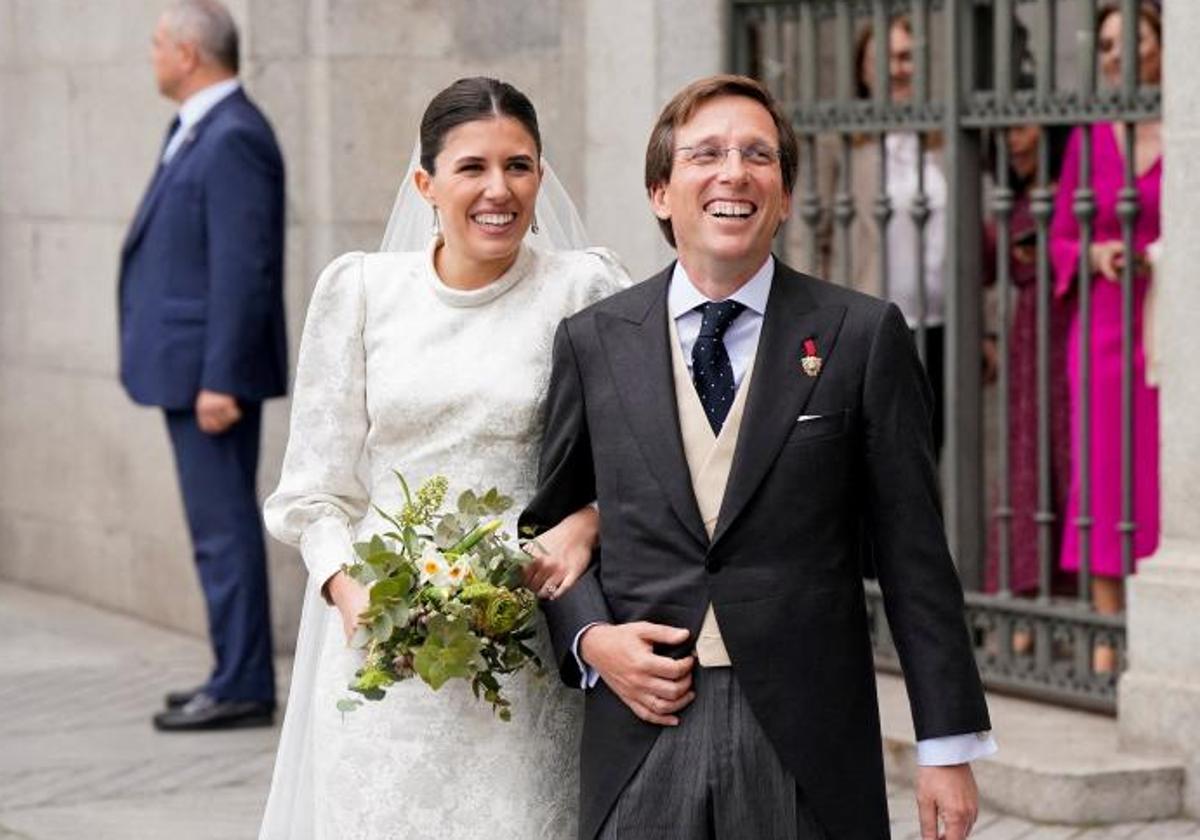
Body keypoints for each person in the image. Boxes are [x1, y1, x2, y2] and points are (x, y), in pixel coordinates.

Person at [521, 74, 995, 840]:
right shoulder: (594, 340)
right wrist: (591, 640)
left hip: (805, 735)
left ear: (783, 194)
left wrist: (946, 743)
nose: (733, 172)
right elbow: (548, 528)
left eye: (758, 156)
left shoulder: (862, 336)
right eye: (705, 153)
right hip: (642, 726)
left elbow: (914, 555)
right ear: (660, 191)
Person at [258, 77, 629, 839]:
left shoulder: (583, 288)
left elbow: (652, 453)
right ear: (425, 183)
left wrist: (590, 521)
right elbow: (312, 492)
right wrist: (347, 588)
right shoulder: (360, 291)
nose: (500, 190)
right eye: (473, 168)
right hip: (384, 653)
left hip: (524, 646)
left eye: (519, 166)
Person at [119, 0, 286, 731]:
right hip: (186, 369)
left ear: (188, 53)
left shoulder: (233, 136)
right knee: (212, 530)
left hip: (209, 378)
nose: (152, 54)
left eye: (158, 42)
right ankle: (231, 670)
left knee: (223, 531)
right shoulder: (196, 129)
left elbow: (243, 269)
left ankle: (245, 684)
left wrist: (221, 377)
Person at [1050, 0, 1162, 670]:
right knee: (1101, 467)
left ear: (1162, 46)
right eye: (1110, 45)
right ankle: (1105, 628)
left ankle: (1158, 624)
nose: (1117, 55)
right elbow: (1062, 234)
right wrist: (1095, 257)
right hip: (1100, 326)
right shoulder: (1090, 137)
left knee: (1157, 469)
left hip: (1166, 322)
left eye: (1132, 40)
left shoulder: (1186, 130)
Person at [814, 15, 949, 455]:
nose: (897, 68)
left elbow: (973, 236)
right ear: (862, 69)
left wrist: (982, 327)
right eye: (883, 58)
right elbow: (817, 236)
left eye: (906, 56)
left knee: (930, 448)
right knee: (875, 452)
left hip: (939, 324)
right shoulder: (843, 141)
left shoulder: (945, 139)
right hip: (869, 324)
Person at [983, 123, 1072, 601]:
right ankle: (1026, 587)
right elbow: (978, 263)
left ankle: (1077, 590)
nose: (1012, 142)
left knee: (1072, 451)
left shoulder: (1077, 189)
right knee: (1028, 454)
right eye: (1004, 134)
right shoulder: (1008, 201)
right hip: (1028, 337)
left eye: (1020, 129)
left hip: (1072, 326)